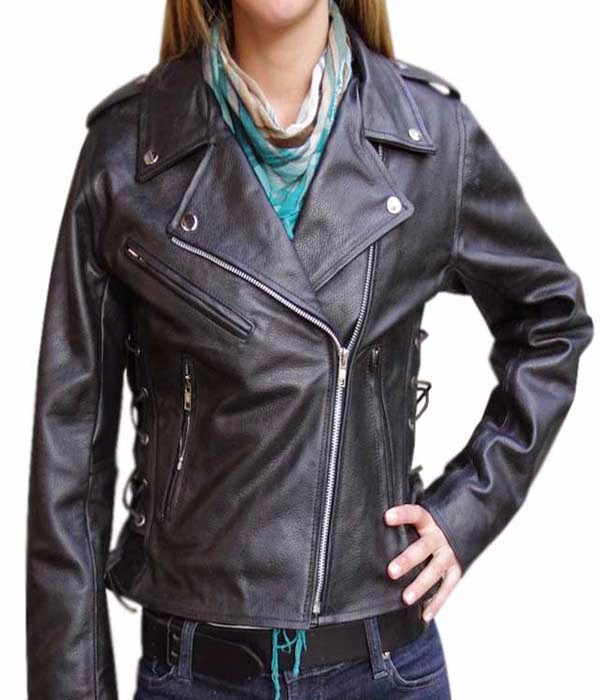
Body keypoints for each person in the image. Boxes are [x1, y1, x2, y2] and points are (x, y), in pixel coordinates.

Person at [25, 1, 594, 699]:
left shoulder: (430, 140)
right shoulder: (129, 150)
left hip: (382, 668)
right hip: (195, 675)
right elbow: (68, 460)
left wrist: (467, 511)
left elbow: (551, 320)